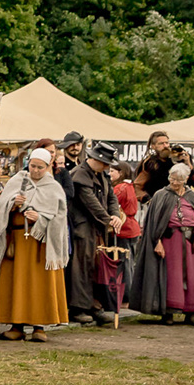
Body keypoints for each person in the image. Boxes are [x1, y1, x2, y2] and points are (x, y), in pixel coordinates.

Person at [0, 147, 69, 341]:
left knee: (39, 285)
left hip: (40, 245)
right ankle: (16, 325)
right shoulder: (17, 181)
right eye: (32, 166)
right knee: (16, 282)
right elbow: (0, 208)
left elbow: (60, 219)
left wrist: (40, 219)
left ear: (48, 166)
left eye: (40, 168)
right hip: (16, 242)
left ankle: (39, 326)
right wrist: (12, 204)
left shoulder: (54, 188)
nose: (35, 170)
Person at [127, 162, 194, 325]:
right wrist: (156, 242)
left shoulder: (192, 197)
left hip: (192, 243)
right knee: (171, 277)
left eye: (178, 180)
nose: (174, 182)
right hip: (170, 241)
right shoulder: (160, 195)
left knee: (193, 277)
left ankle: (191, 312)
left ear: (186, 179)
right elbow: (153, 223)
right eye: (172, 178)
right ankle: (168, 312)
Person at [62, 140, 115, 327]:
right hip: (82, 229)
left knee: (96, 268)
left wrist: (115, 215)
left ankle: (95, 305)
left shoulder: (102, 175)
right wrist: (109, 219)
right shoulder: (79, 175)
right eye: (106, 162)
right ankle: (79, 308)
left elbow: (111, 197)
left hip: (97, 229)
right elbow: (90, 203)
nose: (108, 167)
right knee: (81, 268)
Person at [102, 159, 140, 318]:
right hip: (131, 229)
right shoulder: (130, 187)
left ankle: (124, 297)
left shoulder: (120, 188)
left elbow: (110, 205)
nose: (110, 174)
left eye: (113, 171)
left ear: (121, 172)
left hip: (123, 230)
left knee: (123, 266)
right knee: (128, 264)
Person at [138, 130, 174, 202]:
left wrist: (188, 164)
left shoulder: (178, 160)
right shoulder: (150, 163)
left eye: (166, 143)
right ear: (153, 146)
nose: (165, 146)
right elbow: (138, 186)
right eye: (161, 143)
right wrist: (147, 199)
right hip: (158, 202)